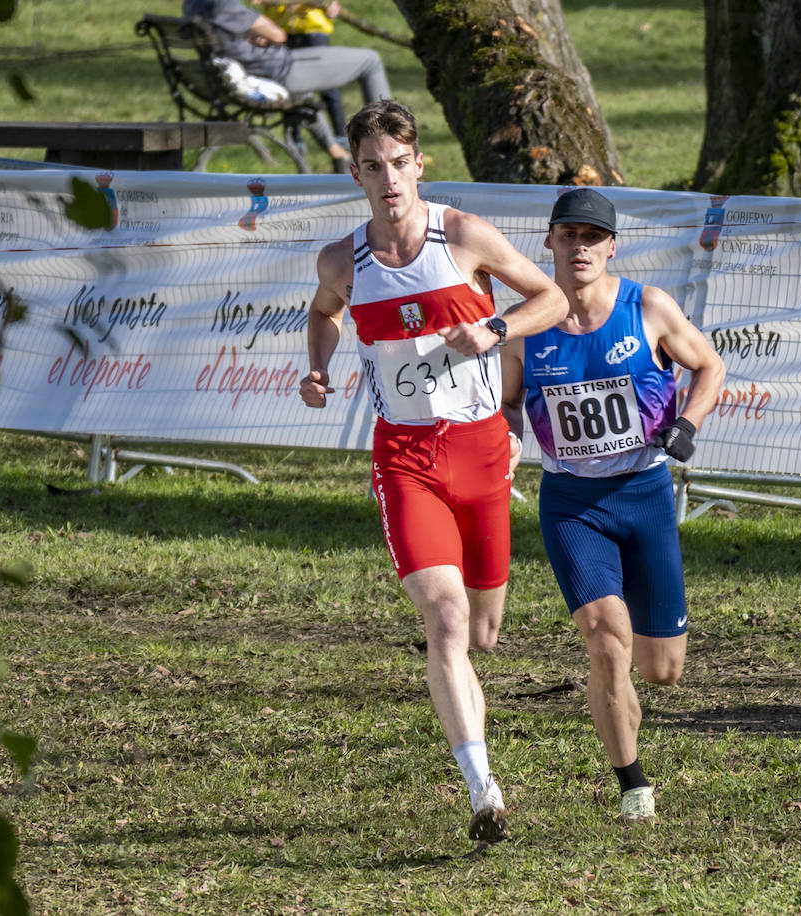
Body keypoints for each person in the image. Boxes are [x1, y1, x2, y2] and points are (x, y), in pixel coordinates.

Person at [300, 100, 567, 844]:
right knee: (444, 621)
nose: (388, 179)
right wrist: (317, 369)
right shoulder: (341, 262)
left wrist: (493, 328)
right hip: (406, 457)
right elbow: (323, 314)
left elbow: (550, 297)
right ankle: (484, 792)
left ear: (419, 164)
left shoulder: (463, 236)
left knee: (482, 632)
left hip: (481, 452)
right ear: (355, 174)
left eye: (399, 163)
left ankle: (477, 745)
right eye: (372, 167)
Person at [499, 188, 725, 824]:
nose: (579, 247)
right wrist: (509, 438)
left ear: (611, 247)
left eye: (591, 237)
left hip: (645, 493)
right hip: (572, 502)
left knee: (662, 671)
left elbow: (709, 366)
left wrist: (688, 423)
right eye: (568, 235)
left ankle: (640, 716)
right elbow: (511, 402)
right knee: (605, 640)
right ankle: (633, 786)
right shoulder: (525, 326)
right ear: (549, 243)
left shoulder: (646, 307)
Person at [183, 0, 390, 171]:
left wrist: (248, 36)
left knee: (306, 95)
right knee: (371, 61)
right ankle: (389, 143)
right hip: (277, 71)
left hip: (244, 72)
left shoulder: (192, 4)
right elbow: (277, 34)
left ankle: (336, 150)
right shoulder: (222, 4)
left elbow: (231, 35)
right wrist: (258, 31)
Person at [256, 2, 348, 142]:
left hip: (314, 31)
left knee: (328, 85)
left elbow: (331, 7)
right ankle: (295, 139)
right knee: (288, 87)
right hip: (282, 32)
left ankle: (341, 137)